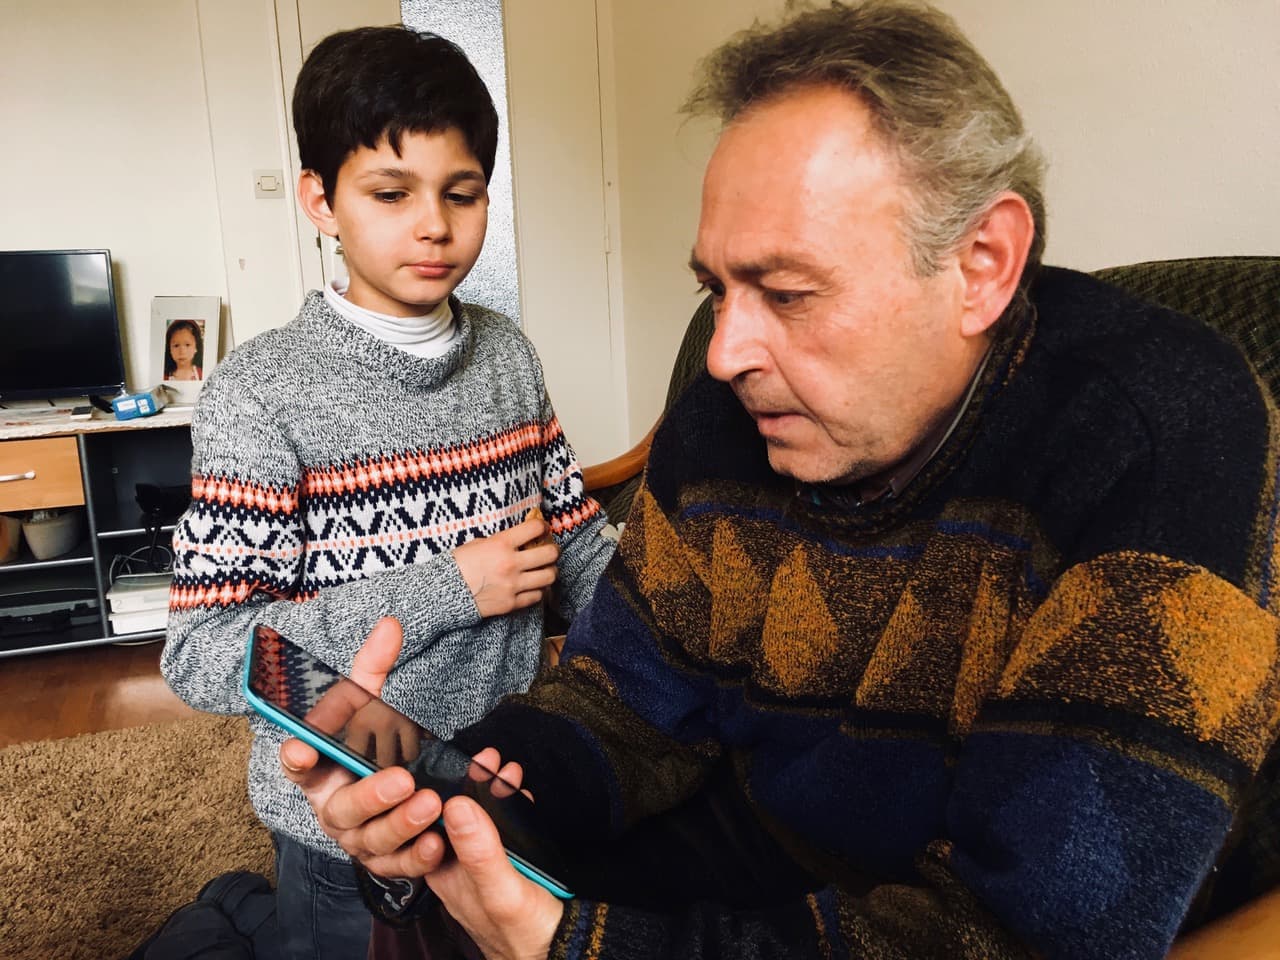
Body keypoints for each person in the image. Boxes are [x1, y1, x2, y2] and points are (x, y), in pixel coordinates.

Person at [282, 3, 1280, 959]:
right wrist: (471, 796)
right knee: (449, 891)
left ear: (980, 262)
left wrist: (580, 949)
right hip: (776, 844)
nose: (722, 352)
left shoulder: (1162, 431)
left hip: (1008, 916)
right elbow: (629, 698)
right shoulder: (731, 417)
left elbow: (1027, 933)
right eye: (716, 287)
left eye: (786, 291)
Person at [161, 25, 616, 960]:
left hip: (500, 777)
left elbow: (574, 545)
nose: (434, 227)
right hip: (349, 810)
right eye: (390, 193)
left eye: (462, 194)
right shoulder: (261, 392)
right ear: (320, 201)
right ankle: (227, 917)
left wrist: (683, 617)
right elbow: (206, 653)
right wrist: (453, 588)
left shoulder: (508, 356)